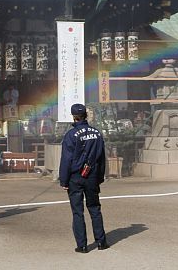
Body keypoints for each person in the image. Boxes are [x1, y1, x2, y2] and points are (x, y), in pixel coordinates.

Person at [59, 103, 109, 253]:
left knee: (77, 211)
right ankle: (101, 242)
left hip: (75, 177)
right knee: (95, 209)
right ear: (86, 115)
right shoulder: (97, 133)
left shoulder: (70, 135)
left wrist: (64, 180)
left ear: (74, 116)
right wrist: (99, 177)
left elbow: (66, 160)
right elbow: (101, 158)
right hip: (92, 175)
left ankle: (82, 245)